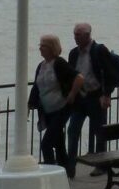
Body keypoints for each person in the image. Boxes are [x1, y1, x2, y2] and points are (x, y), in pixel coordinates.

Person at [29, 34, 83, 178]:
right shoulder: (41, 66)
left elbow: (79, 77)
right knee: (58, 143)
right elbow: (36, 86)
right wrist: (29, 105)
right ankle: (67, 170)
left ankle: (51, 174)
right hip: (48, 110)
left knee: (46, 144)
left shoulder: (59, 63)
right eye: (39, 45)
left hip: (61, 109)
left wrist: (72, 94)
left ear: (51, 48)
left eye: (43, 46)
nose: (40, 48)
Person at [66, 22, 116, 176]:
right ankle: (71, 164)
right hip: (80, 98)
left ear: (87, 35)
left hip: (96, 97)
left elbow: (110, 74)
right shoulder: (73, 53)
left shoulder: (99, 51)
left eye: (78, 35)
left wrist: (106, 95)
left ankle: (101, 165)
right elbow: (70, 75)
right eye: (74, 34)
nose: (75, 37)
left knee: (99, 131)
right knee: (72, 130)